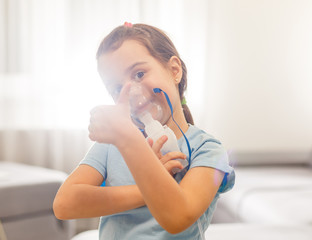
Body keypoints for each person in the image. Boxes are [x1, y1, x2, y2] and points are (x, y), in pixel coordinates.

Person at [53, 22, 235, 240]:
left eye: (139, 74)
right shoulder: (113, 145)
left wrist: (129, 141)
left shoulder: (207, 150)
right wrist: (144, 190)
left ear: (174, 70)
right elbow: (65, 204)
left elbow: (179, 216)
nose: (131, 92)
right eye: (117, 88)